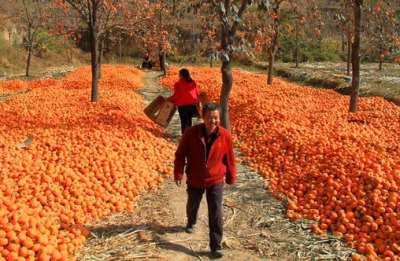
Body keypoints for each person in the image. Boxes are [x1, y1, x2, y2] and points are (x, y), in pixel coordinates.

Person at [173, 102, 236, 258]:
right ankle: (191, 221)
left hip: (215, 179)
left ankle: (216, 246)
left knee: (216, 212)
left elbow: (230, 158)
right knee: (193, 204)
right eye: (209, 117)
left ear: (219, 118)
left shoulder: (225, 136)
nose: (212, 121)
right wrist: (178, 173)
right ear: (203, 117)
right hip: (195, 177)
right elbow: (180, 154)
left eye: (215, 118)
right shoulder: (190, 133)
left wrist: (231, 177)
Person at [167, 69, 200, 134]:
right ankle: (190, 136)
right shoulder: (192, 82)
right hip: (193, 104)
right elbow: (198, 93)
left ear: (181, 75)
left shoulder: (178, 84)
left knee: (184, 122)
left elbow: (176, 96)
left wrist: (167, 99)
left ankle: (185, 138)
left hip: (183, 105)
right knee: (189, 121)